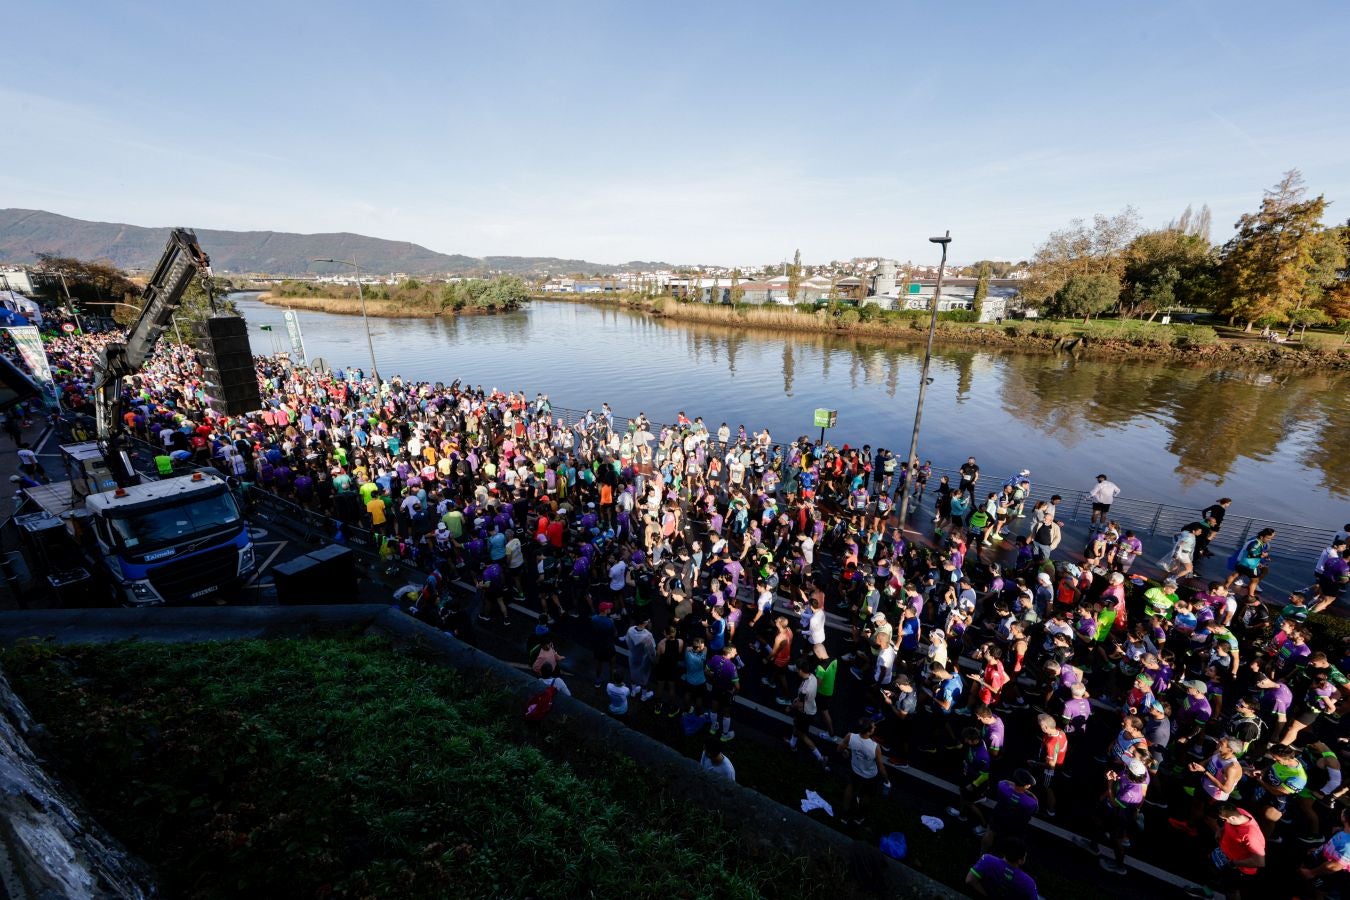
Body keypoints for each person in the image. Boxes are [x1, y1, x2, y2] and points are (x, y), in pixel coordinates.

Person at [1185, 804, 1266, 900]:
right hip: (1224, 855)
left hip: (1238, 869)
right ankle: (1206, 893)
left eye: (1223, 820)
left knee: (1231, 891)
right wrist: (1220, 831)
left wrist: (1234, 863)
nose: (1223, 821)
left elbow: (1260, 862)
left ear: (1232, 817)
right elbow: (1229, 824)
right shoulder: (1239, 812)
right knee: (1213, 874)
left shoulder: (1251, 835)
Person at [836, 718, 890, 826]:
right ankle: (859, 817)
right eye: (873, 726)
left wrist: (845, 752)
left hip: (855, 769)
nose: (875, 727)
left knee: (850, 788)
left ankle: (845, 815)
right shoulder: (874, 747)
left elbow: (839, 749)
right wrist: (886, 780)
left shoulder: (850, 736)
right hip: (869, 776)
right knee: (866, 795)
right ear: (869, 731)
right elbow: (880, 766)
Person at [966, 838, 1037, 900]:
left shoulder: (987, 860)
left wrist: (987, 896)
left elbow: (969, 880)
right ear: (1020, 861)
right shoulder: (1029, 883)